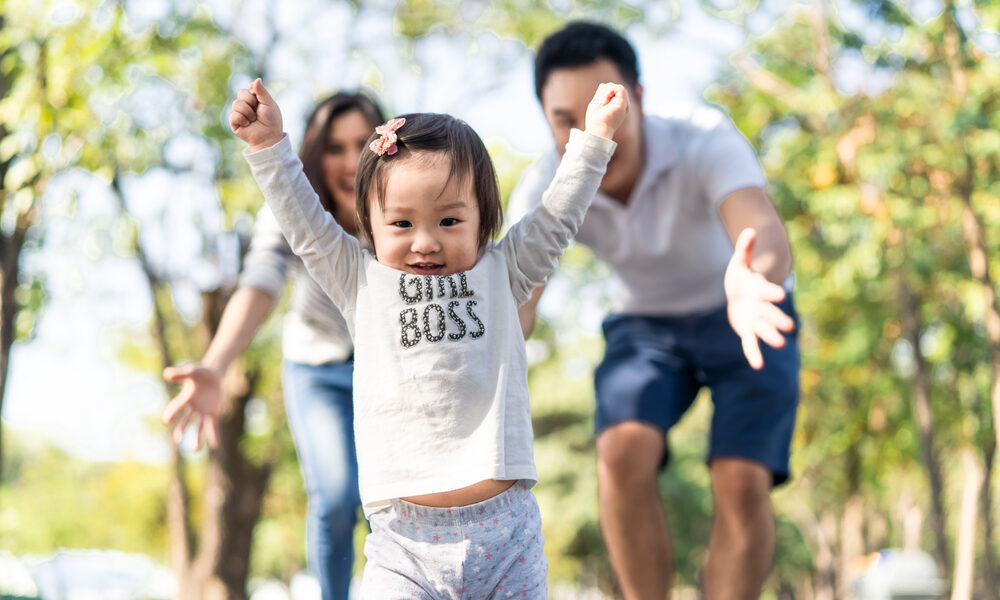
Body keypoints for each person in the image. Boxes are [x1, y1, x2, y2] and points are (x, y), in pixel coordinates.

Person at [217, 77, 626, 598]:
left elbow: (558, 215)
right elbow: (304, 223)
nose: (426, 242)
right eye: (402, 223)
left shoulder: (506, 271)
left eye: (450, 220)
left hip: (507, 538)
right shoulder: (359, 278)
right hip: (403, 544)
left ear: (484, 220)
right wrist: (268, 147)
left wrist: (592, 141)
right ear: (369, 223)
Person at [508, 22, 800, 600]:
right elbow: (516, 301)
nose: (590, 133)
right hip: (645, 327)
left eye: (607, 108)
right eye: (564, 120)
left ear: (638, 98)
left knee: (740, 482)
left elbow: (762, 228)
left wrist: (752, 276)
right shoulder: (547, 183)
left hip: (744, 308)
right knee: (620, 452)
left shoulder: (702, 137)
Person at [160, 90, 385, 600]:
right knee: (335, 496)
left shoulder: (404, 205)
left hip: (387, 372)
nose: (350, 162)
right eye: (334, 148)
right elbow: (261, 281)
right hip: (317, 368)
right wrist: (217, 364)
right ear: (314, 153)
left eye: (361, 144)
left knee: (391, 501)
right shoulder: (294, 203)